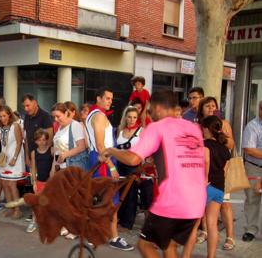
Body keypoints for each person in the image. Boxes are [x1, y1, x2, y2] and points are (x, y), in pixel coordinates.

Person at [100, 90, 206, 258]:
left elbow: (133, 159)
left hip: (173, 200)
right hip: (197, 201)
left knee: (145, 245)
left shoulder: (157, 127)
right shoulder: (193, 128)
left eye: (149, 110)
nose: (149, 114)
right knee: (169, 245)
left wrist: (111, 151)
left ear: (157, 108)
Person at [84, 87, 133, 251]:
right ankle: (109, 237)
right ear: (98, 98)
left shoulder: (92, 114)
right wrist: (111, 166)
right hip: (104, 161)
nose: (110, 101)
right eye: (107, 98)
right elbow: (100, 146)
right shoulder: (98, 116)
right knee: (109, 200)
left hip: (98, 159)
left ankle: (101, 235)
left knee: (101, 199)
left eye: (111, 99)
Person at [195, 96, 236, 250]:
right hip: (216, 180)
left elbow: (230, 144)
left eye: (213, 106)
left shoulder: (223, 124)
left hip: (211, 180)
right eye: (207, 106)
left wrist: (221, 135)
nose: (211, 108)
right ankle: (205, 232)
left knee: (225, 205)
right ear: (202, 109)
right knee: (209, 218)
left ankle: (230, 236)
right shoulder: (198, 125)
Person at [198, 116, 231, 258]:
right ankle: (211, 256)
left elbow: (205, 160)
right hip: (219, 188)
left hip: (205, 186)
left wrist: (204, 179)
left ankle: (185, 255)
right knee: (212, 225)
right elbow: (225, 170)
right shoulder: (224, 148)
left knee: (194, 225)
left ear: (206, 129)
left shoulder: (203, 144)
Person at [115, 106, 151, 231]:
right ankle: (120, 218)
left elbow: (146, 149)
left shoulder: (141, 131)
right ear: (125, 117)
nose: (131, 120)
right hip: (119, 165)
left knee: (131, 195)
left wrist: (142, 165)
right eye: (129, 117)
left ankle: (127, 223)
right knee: (120, 193)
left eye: (134, 117)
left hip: (134, 165)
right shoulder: (120, 129)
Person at [0, 105, 25, 219]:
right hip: (4, 159)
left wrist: (14, 158)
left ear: (9, 114)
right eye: (0, 116)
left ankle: (17, 210)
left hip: (14, 159)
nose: (2, 118)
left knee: (12, 184)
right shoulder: (1, 128)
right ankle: (10, 208)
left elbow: (19, 143)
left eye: (4, 115)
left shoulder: (15, 126)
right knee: (4, 183)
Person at [241, 99, 262, 243]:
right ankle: (250, 230)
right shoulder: (252, 126)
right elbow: (248, 149)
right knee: (252, 199)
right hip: (255, 168)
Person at [26, 129, 55, 233]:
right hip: (40, 181)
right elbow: (33, 168)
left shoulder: (52, 150)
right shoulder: (34, 153)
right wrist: (34, 181)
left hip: (50, 181)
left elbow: (55, 164)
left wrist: (53, 173)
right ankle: (34, 221)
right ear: (35, 141)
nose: (42, 142)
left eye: (44, 140)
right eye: (39, 140)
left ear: (47, 140)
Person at [52, 103, 88, 171]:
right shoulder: (59, 128)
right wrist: (53, 168)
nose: (55, 119)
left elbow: (82, 146)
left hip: (73, 167)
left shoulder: (75, 125)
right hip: (62, 168)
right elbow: (57, 151)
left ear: (65, 113)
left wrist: (65, 155)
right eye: (54, 117)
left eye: (58, 116)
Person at [22, 94, 54, 163]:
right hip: (31, 157)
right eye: (24, 106)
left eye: (28, 105)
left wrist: (44, 156)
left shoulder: (45, 116)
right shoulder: (27, 117)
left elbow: (50, 138)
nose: (25, 109)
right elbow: (27, 138)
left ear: (35, 103)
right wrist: (27, 157)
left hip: (43, 158)